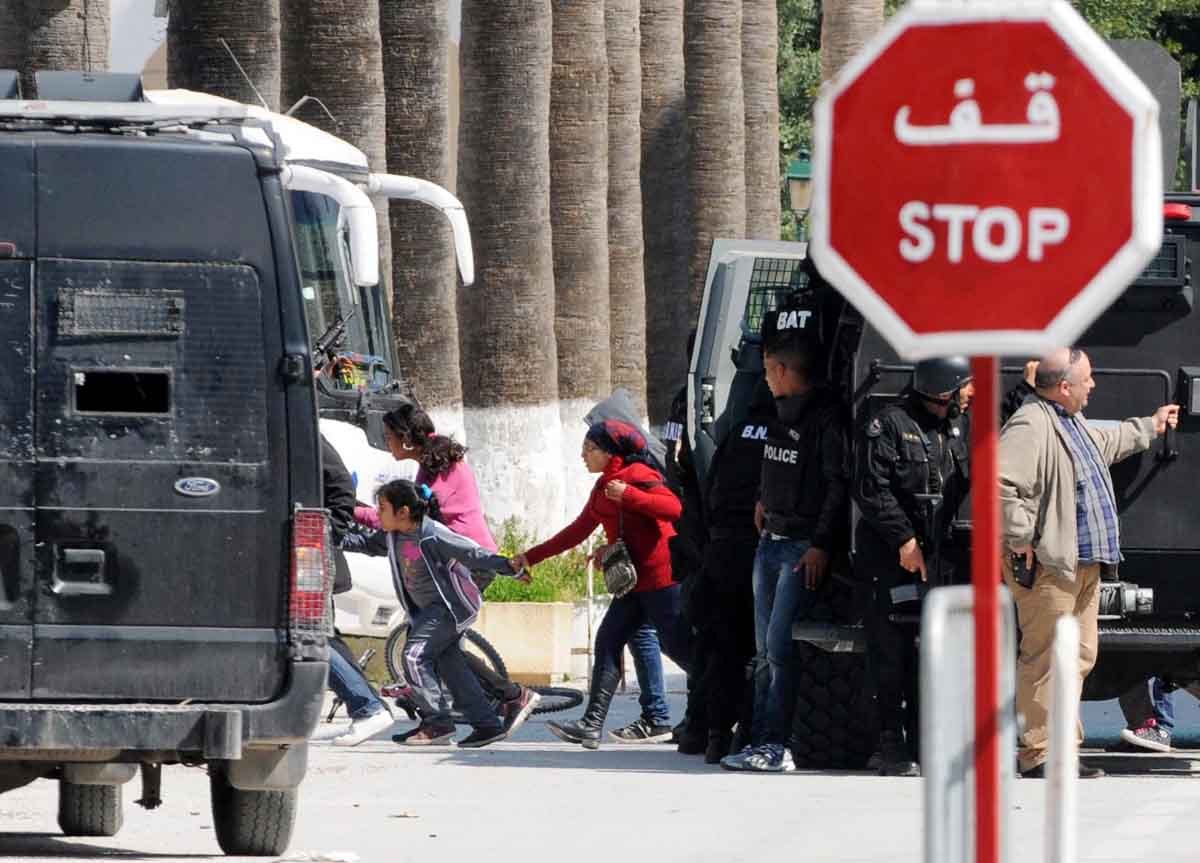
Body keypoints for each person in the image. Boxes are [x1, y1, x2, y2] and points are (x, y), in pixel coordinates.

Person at [999, 347, 1179, 778]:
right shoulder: (1031, 423)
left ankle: (1059, 749)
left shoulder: (1068, 422)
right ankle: (1040, 755)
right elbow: (1000, 483)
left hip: (1083, 567)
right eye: (1086, 379)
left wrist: (1150, 427)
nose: (1093, 385)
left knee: (1075, 657)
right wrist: (1023, 538)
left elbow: (1107, 442)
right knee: (1045, 659)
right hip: (1051, 568)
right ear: (1064, 387)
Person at [359, 404, 541, 735]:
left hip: (466, 562)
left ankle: (472, 711)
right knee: (442, 648)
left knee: (428, 646)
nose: (387, 444)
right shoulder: (430, 464)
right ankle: (497, 706)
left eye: (389, 437)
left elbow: (410, 519)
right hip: (453, 561)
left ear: (407, 438)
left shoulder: (440, 467)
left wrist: (358, 512)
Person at [514, 420, 689, 749]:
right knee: (608, 641)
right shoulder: (603, 487)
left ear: (609, 453)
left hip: (662, 580)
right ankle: (591, 724)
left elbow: (673, 508)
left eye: (589, 449)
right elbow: (577, 531)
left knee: (683, 650)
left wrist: (631, 496)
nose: (582, 455)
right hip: (633, 585)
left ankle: (726, 703)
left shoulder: (638, 476)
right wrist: (530, 557)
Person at [721, 330, 850, 774]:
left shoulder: (826, 420)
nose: (767, 380)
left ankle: (778, 746)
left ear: (781, 369)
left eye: (770, 371)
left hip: (799, 549)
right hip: (769, 543)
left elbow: (836, 488)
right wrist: (762, 498)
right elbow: (773, 465)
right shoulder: (777, 411)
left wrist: (820, 545)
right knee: (762, 653)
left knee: (779, 650)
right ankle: (757, 740)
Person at [854, 356, 973, 777]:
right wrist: (903, 539)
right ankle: (890, 744)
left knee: (934, 654)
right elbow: (872, 490)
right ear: (941, 391)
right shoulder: (887, 425)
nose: (966, 396)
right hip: (891, 559)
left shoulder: (956, 428)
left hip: (938, 560)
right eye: (961, 389)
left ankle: (928, 740)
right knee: (891, 653)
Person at [343, 479, 529, 747]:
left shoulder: (432, 534)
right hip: (427, 612)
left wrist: (511, 568)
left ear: (403, 511)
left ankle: (436, 723)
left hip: (448, 608)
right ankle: (487, 724)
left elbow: (474, 554)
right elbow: (362, 542)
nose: (377, 514)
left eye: (382, 508)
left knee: (415, 656)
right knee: (452, 668)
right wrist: (329, 536)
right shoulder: (392, 535)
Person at [687, 379, 776, 763]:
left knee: (720, 648)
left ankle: (711, 735)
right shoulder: (784, 432)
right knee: (760, 650)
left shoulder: (735, 432)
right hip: (756, 549)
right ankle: (750, 732)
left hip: (720, 550)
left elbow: (709, 489)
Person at [319, 435, 395, 747]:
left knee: (308, 639)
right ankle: (367, 705)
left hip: (302, 560)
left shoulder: (300, 426)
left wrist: (324, 536)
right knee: (322, 638)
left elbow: (340, 489)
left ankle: (367, 707)